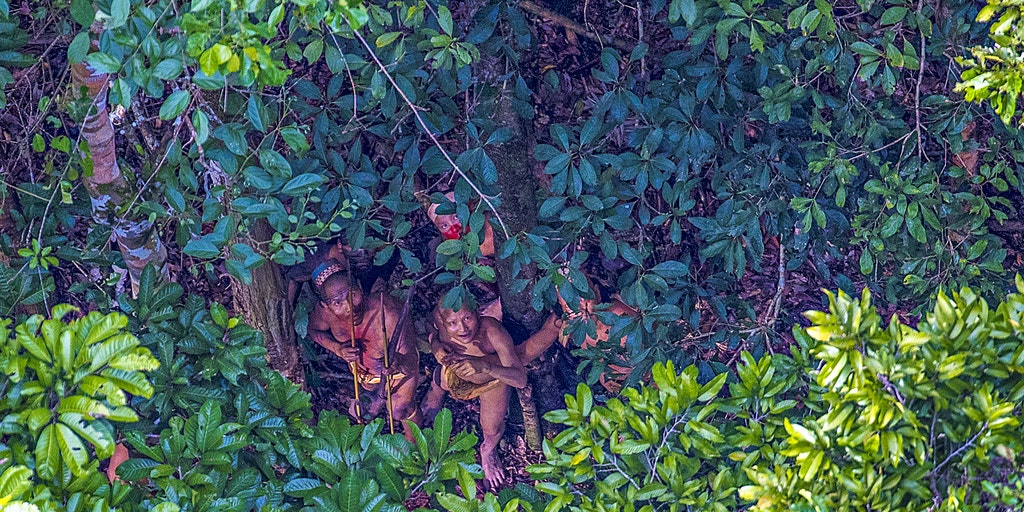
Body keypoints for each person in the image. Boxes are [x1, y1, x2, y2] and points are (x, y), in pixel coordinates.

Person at [419, 297, 529, 490]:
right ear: (443, 320)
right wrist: (435, 343)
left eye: (467, 318)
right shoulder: (440, 320)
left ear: (478, 311)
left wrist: (485, 367)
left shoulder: (492, 331)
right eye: (452, 323)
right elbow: (430, 326)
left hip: (490, 380)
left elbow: (520, 380)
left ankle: (488, 450)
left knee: (492, 428)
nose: (462, 329)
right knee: (444, 381)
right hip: (455, 372)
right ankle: (436, 392)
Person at [306, 260, 421, 428]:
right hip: (364, 378)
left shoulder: (388, 312)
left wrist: (399, 362)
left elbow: (411, 360)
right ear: (326, 306)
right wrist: (337, 348)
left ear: (360, 287)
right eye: (338, 303)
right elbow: (314, 331)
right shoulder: (325, 315)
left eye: (352, 295)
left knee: (399, 410)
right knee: (361, 414)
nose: (349, 307)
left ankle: (416, 448)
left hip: (398, 376)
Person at [555, 271, 637, 394]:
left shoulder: (620, 314)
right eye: (571, 308)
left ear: (597, 294)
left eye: (585, 302)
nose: (582, 311)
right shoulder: (574, 332)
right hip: (616, 388)